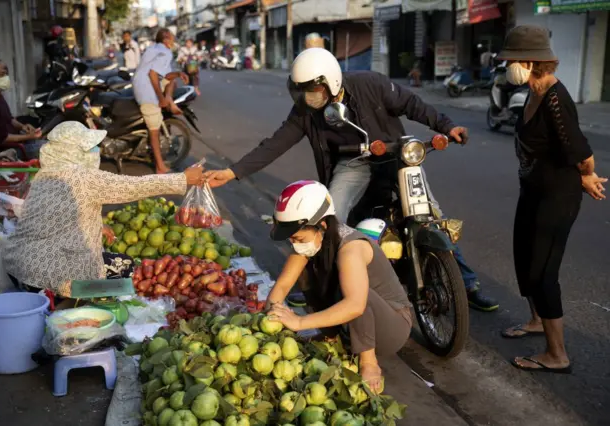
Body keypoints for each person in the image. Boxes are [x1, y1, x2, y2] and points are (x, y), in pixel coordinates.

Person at [204, 48, 498, 311]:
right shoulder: (306, 110)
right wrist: (233, 172)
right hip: (353, 163)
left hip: (397, 156)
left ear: (330, 82)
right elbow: (276, 143)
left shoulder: (371, 84)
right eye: (302, 90)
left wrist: (448, 126)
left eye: (313, 89)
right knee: (331, 216)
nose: (308, 96)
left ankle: (467, 284)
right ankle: (318, 285)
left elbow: (413, 104)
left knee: (430, 214)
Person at [497, 26, 607, 373]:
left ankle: (556, 354)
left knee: (544, 271)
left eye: (511, 61)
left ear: (530, 62)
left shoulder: (556, 99)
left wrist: (586, 175)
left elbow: (581, 152)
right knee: (523, 257)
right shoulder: (533, 92)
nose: (508, 67)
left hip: (557, 196)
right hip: (533, 190)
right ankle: (534, 320)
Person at [2, 121, 205, 298]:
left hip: (22, 265)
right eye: (89, 148)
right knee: (125, 271)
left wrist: (98, 225)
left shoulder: (44, 175)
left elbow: (58, 217)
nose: (94, 152)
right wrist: (182, 179)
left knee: (117, 262)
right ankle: (70, 302)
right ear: (73, 150)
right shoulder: (80, 177)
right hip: (51, 274)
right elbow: (131, 186)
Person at [266, 180, 412, 392]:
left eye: (298, 237)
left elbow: (356, 306)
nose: (294, 244)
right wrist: (270, 315)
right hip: (360, 321)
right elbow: (282, 286)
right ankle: (330, 333)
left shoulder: (351, 247)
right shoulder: (312, 243)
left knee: (356, 294)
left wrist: (299, 322)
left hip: (392, 325)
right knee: (307, 272)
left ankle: (369, 361)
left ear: (322, 226)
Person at [133, 28, 189, 174]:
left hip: (141, 84)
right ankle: (160, 166)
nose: (173, 41)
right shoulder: (165, 52)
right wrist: (161, 98)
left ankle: (170, 99)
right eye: (172, 38)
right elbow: (153, 75)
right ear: (165, 39)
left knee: (173, 81)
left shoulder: (154, 49)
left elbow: (164, 76)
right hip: (147, 91)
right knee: (154, 131)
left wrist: (177, 73)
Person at [0, 56, 43, 157]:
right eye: (1, 75)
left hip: (19, 143)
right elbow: (3, 139)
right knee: (54, 151)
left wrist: (23, 126)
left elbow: (9, 119)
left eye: (6, 74)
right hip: (11, 151)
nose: (6, 78)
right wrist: (29, 136)